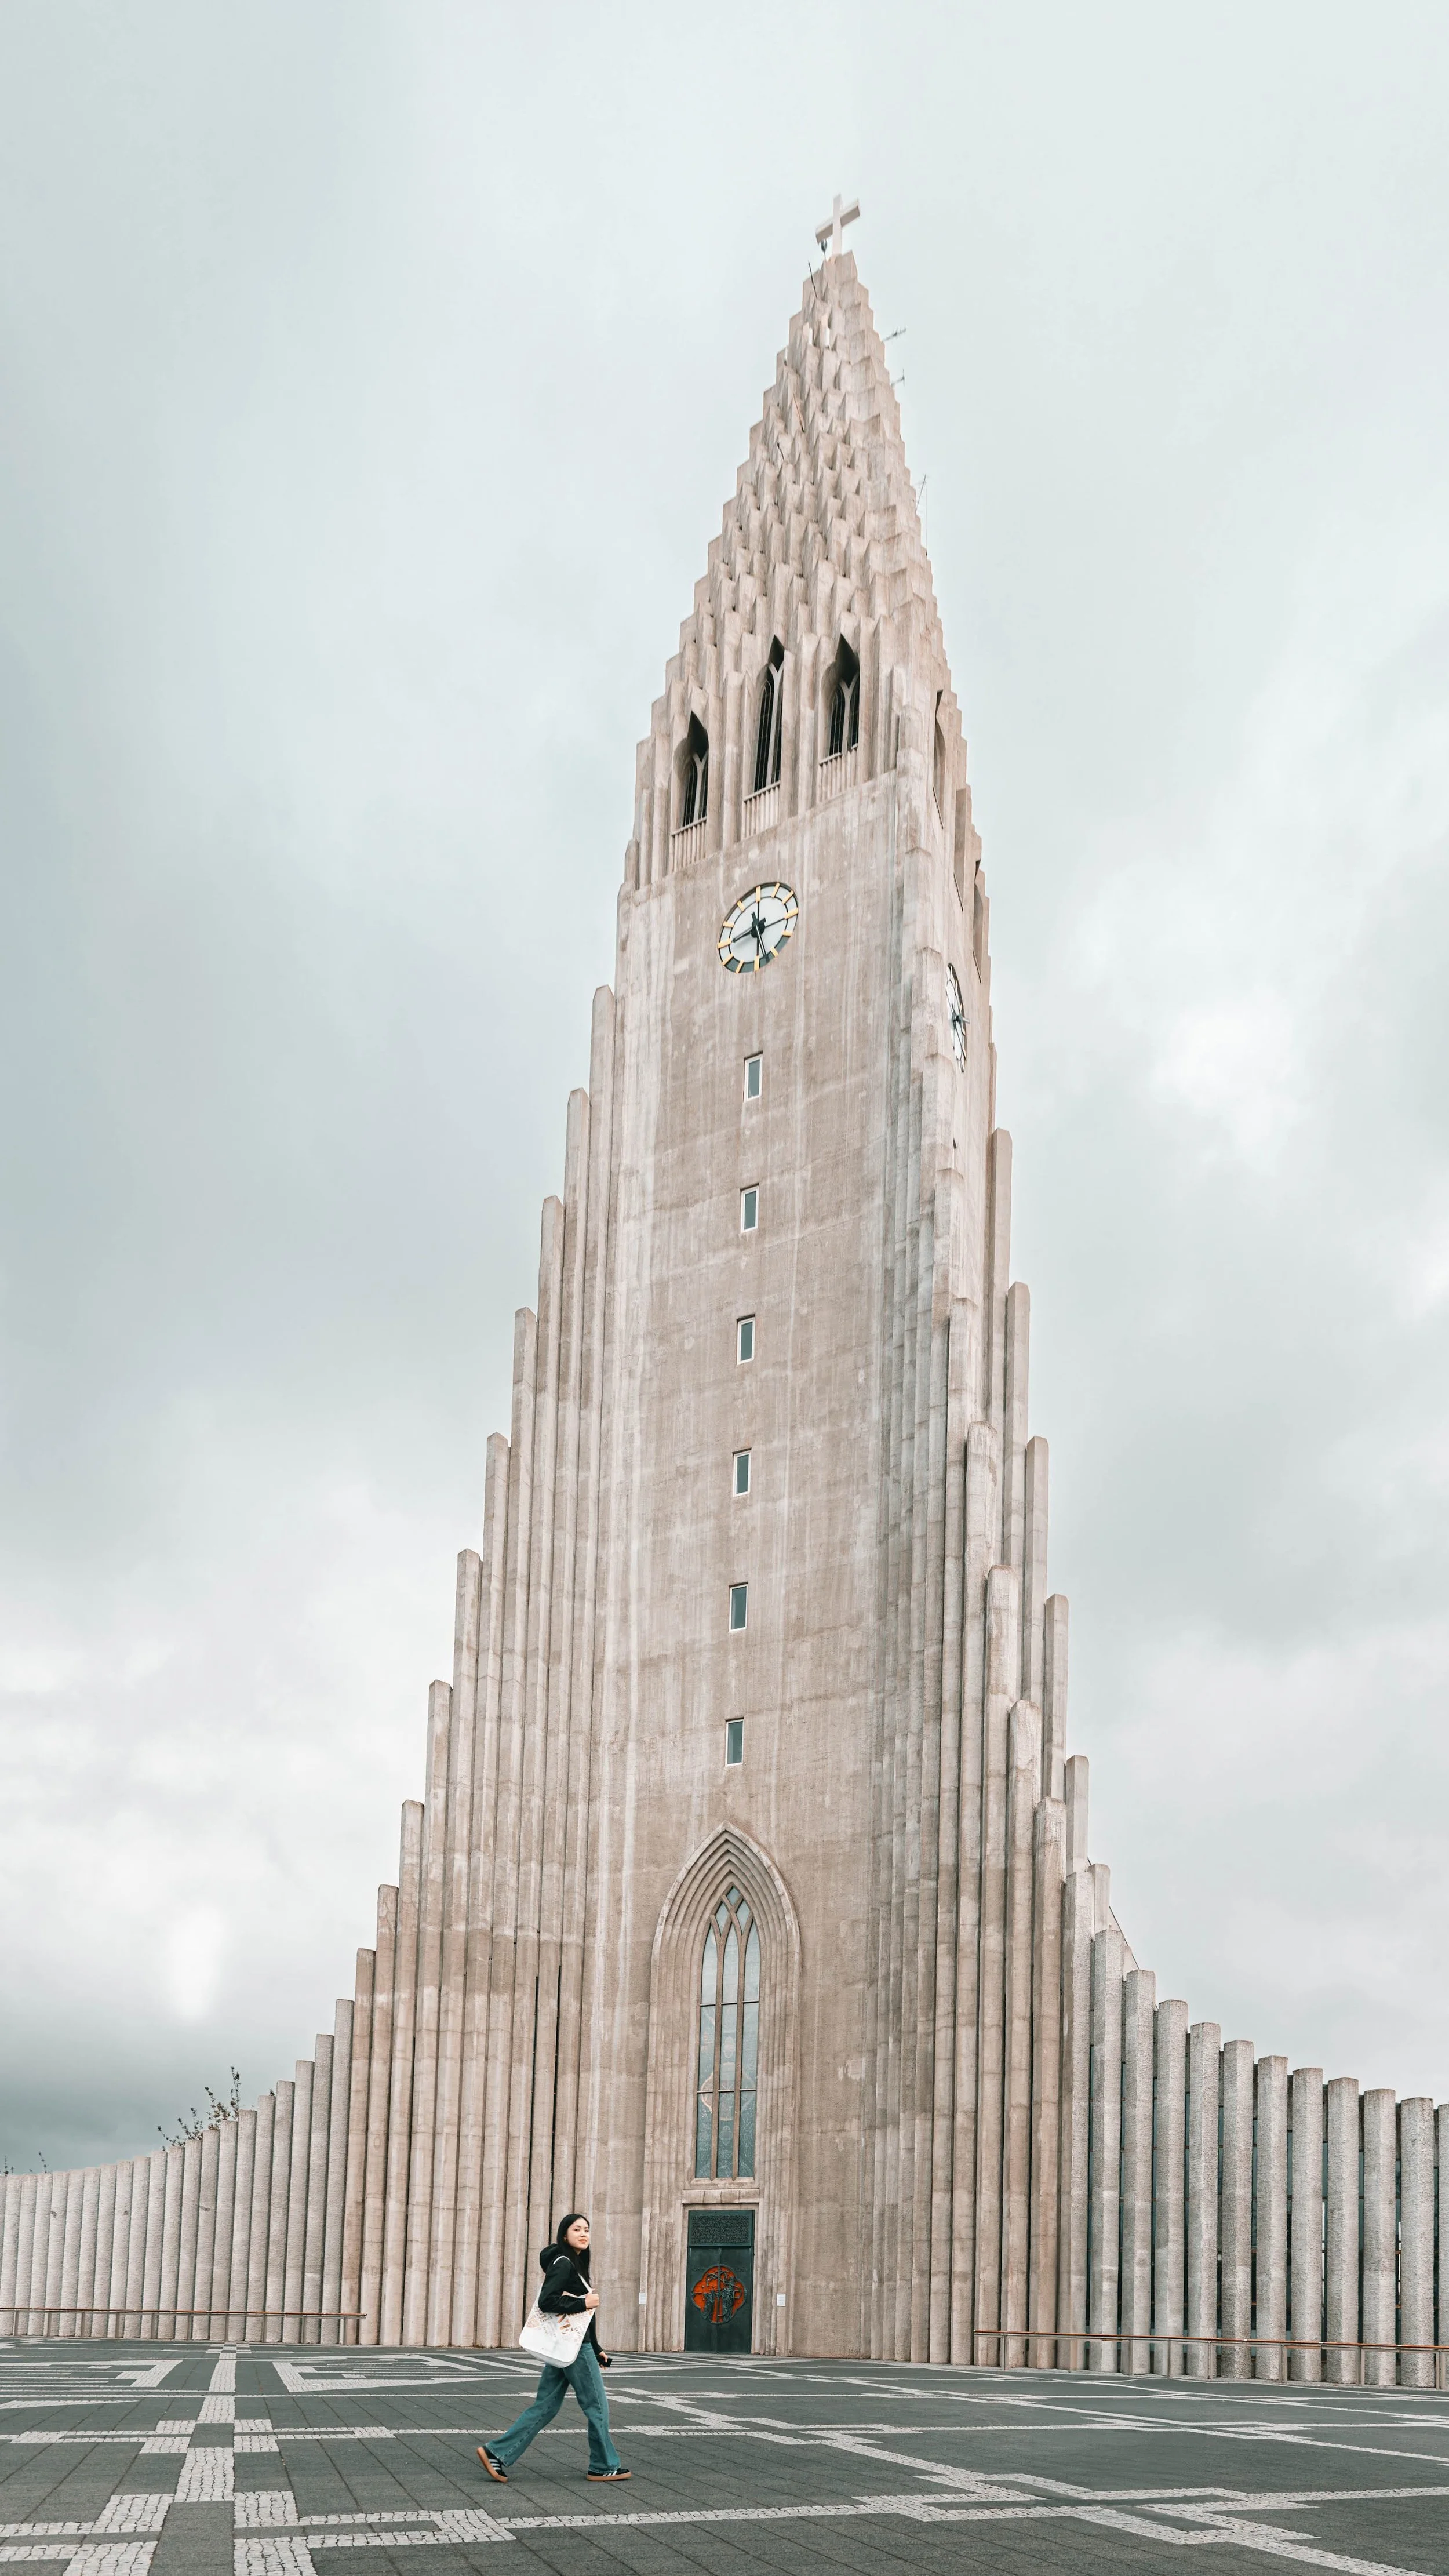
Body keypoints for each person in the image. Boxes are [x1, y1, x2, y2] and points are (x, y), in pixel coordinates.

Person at [478, 2212, 629, 2484]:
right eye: (577, 2230)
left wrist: (597, 2347)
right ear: (564, 2235)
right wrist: (584, 2304)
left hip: (568, 2346)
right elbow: (549, 2302)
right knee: (597, 2407)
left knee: (546, 2407)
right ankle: (603, 2465)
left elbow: (582, 2320)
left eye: (587, 2230)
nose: (584, 2234)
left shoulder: (576, 2263)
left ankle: (497, 2452)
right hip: (574, 2350)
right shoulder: (564, 2264)